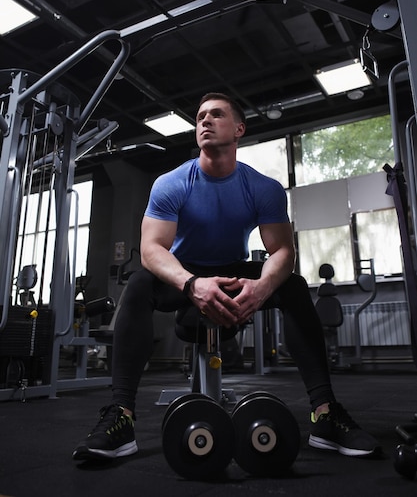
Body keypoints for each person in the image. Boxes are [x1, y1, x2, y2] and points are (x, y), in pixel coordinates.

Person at [73, 92, 380, 461]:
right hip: (186, 272)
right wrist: (190, 283)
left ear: (239, 129)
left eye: (216, 115)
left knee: (293, 286)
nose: (204, 121)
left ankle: (325, 414)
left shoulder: (262, 188)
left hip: (233, 271)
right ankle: (120, 416)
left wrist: (263, 287)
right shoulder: (171, 183)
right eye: (200, 116)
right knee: (139, 283)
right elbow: (153, 249)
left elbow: (282, 250)